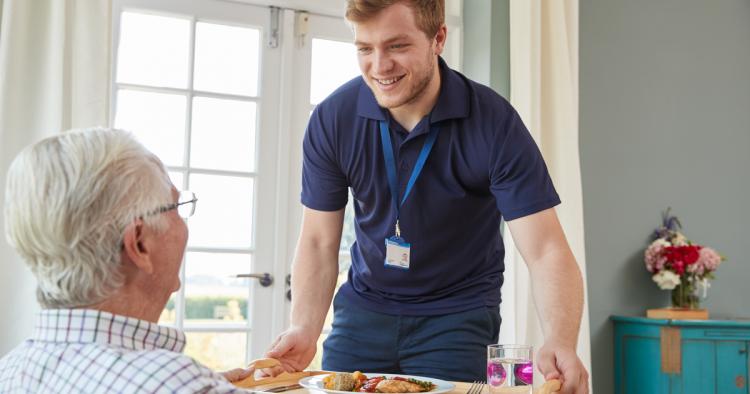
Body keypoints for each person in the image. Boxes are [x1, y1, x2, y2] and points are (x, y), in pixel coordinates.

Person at [265, 0, 589, 392]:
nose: (379, 66)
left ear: (438, 39)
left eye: (397, 46)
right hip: (363, 313)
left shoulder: (494, 122)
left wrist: (560, 339)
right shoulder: (333, 119)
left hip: (457, 317)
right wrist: (304, 325)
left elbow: (546, 249)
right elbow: (318, 241)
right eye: (365, 48)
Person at [0, 128, 253, 393]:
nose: (183, 222)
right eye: (175, 207)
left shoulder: (9, 371)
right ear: (140, 243)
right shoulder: (175, 382)